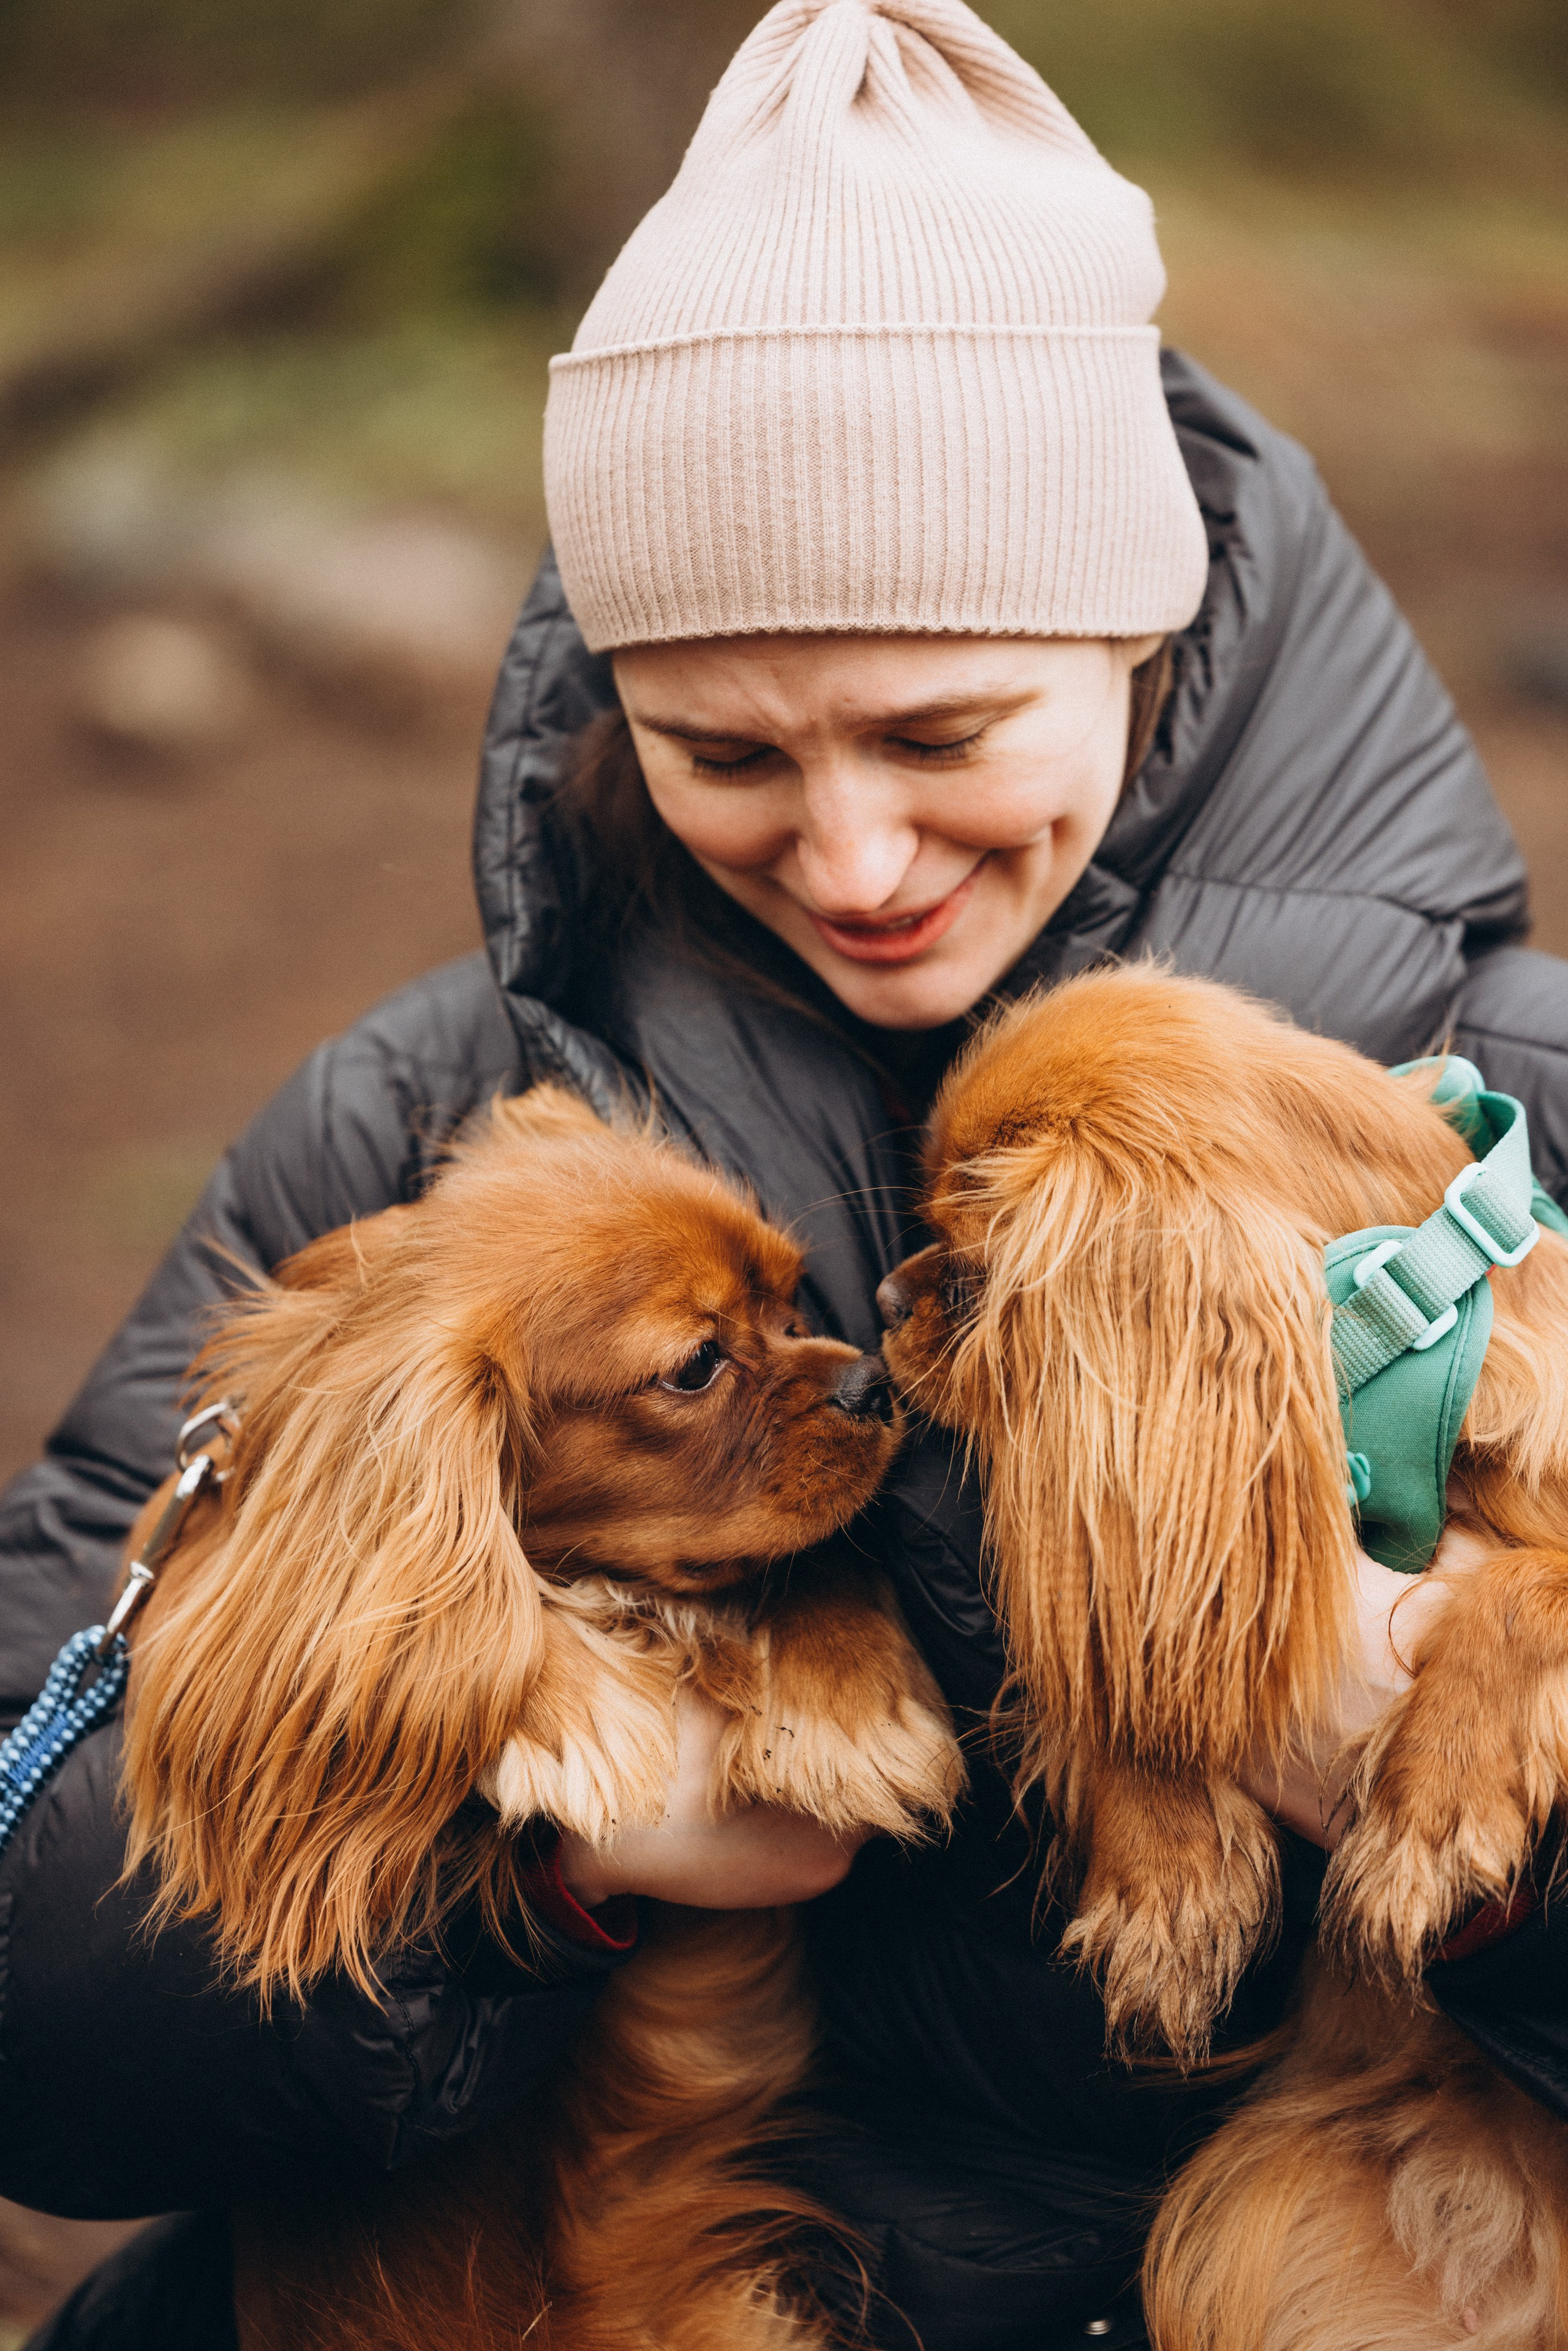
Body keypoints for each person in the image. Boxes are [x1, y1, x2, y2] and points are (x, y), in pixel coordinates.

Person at [5, 3, 1568, 2345]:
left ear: (1139, 630)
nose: (850, 855)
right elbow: (42, 2001)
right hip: (617, 2259)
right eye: (721, 747)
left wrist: (1459, 1834)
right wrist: (546, 1873)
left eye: (942, 730)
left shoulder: (1501, 1110)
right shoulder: (417, 1145)